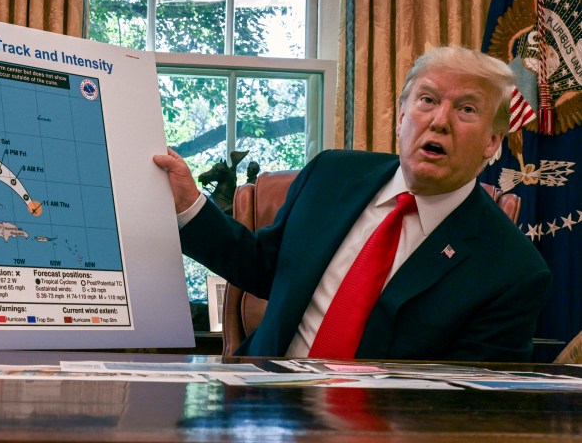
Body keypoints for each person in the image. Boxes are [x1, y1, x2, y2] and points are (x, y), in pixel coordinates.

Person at [154, 46, 551, 362]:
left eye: (467, 109)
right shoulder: (332, 175)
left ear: (492, 142)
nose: (440, 120)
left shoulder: (513, 270)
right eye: (427, 100)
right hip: (258, 405)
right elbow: (264, 268)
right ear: (400, 117)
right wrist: (190, 204)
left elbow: (470, 409)